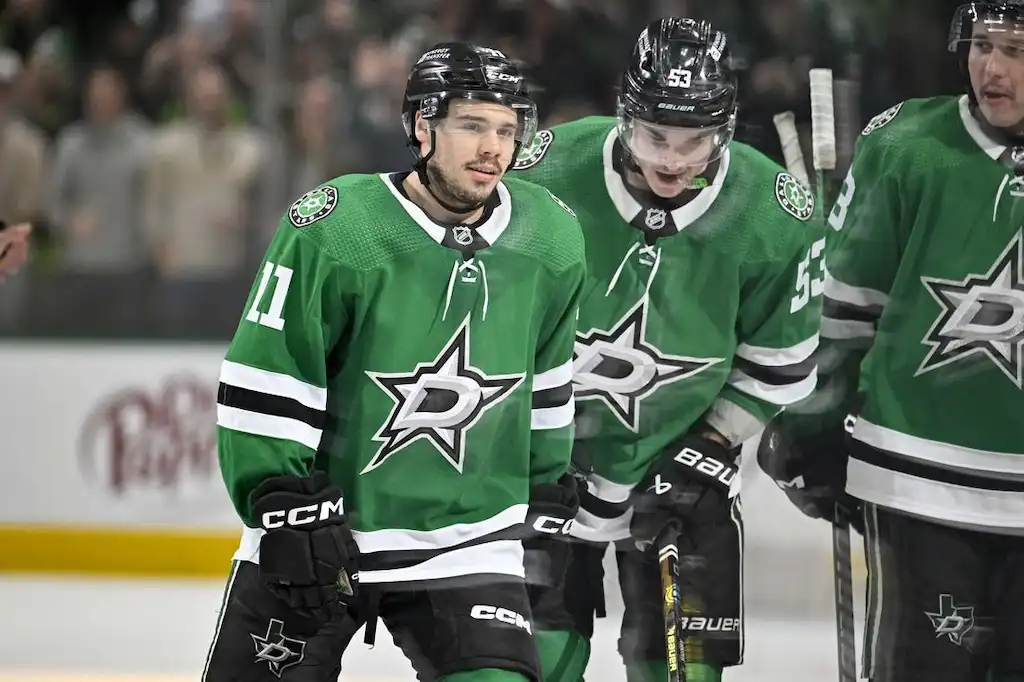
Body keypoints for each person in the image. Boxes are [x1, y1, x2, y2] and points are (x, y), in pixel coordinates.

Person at [202, 42, 585, 682]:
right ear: (419, 125)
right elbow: (268, 374)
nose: (493, 147)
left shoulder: (551, 237)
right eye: (470, 124)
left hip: (466, 544)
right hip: (328, 533)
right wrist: (281, 504)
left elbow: (547, 377)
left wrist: (546, 487)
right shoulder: (338, 228)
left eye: (507, 129)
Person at [512, 17, 825, 682]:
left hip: (682, 478)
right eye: (656, 135)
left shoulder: (772, 212)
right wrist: (523, 437)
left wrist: (712, 444)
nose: (672, 159)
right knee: (529, 667)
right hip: (542, 470)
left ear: (728, 128)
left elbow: (781, 364)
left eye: (696, 140)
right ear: (624, 116)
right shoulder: (544, 172)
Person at [756, 2, 1024, 681]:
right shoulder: (908, 144)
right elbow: (844, 310)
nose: (992, 68)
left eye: (1016, 52)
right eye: (984, 45)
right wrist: (814, 417)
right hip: (918, 478)